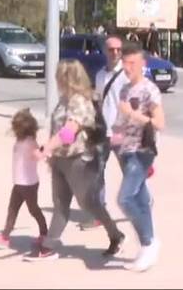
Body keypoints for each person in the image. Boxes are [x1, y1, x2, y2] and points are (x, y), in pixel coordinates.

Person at [35, 60, 124, 260]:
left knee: (90, 204)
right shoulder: (64, 99)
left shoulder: (80, 101)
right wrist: (51, 154)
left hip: (79, 161)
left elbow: (68, 133)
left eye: (60, 76)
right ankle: (49, 246)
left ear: (68, 78)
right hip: (60, 159)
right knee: (60, 204)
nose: (57, 80)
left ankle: (116, 236)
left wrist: (45, 148)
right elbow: (58, 129)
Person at [112, 43, 166, 272]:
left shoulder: (149, 90)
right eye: (125, 63)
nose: (127, 67)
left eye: (132, 63)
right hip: (124, 149)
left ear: (142, 64)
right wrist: (113, 139)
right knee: (141, 200)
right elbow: (121, 122)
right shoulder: (124, 90)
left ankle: (148, 242)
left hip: (142, 152)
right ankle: (149, 245)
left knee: (125, 199)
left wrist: (132, 114)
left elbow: (159, 123)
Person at [0, 109, 50, 256]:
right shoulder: (21, 140)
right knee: (12, 209)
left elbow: (37, 154)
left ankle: (44, 234)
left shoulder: (30, 142)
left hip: (29, 184)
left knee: (33, 210)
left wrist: (45, 151)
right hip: (19, 183)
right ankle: (5, 236)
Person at [84, 35, 128, 231]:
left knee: (130, 172)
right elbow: (100, 101)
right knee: (97, 173)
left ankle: (142, 202)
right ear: (105, 51)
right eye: (111, 49)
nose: (115, 53)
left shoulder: (126, 74)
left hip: (123, 133)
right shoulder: (100, 75)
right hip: (104, 132)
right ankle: (100, 213)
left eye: (119, 49)